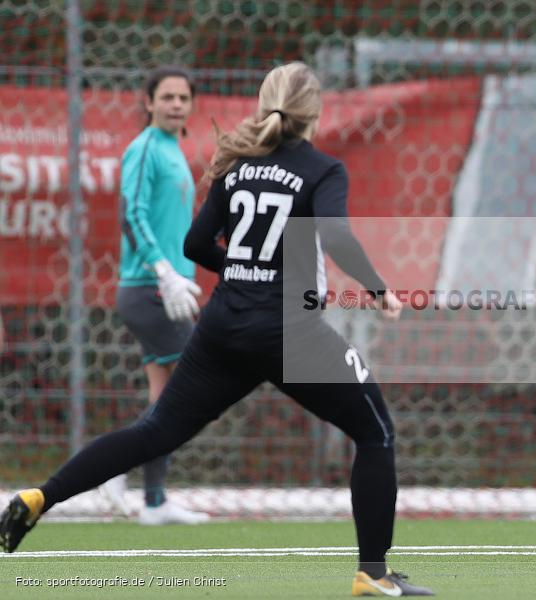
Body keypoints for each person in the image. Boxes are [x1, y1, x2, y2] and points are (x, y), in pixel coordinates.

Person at [0, 61, 433, 597]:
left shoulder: (236, 167)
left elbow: (194, 246)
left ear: (264, 104)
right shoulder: (322, 170)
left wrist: (243, 271)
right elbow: (338, 236)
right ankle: (371, 572)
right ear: (314, 113)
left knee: (156, 431)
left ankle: (40, 497)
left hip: (224, 326)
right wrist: (379, 291)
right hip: (287, 331)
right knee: (375, 433)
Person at [101, 66, 210, 526]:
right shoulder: (144, 149)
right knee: (200, 384)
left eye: (183, 97)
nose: (176, 104)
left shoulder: (175, 150)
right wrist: (163, 271)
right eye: (166, 96)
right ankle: (112, 467)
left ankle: (154, 500)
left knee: (165, 397)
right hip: (149, 291)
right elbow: (132, 215)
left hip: (170, 290)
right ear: (148, 102)